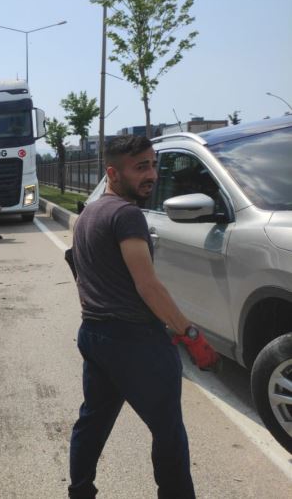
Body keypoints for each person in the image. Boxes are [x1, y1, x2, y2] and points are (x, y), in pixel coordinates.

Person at [67, 135, 218, 499]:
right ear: (113, 173)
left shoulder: (90, 213)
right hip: (135, 341)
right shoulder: (126, 214)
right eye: (140, 168)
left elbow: (76, 264)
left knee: (93, 421)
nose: (150, 174)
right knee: (168, 431)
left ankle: (80, 491)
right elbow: (148, 286)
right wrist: (190, 334)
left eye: (153, 165)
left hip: (95, 334)